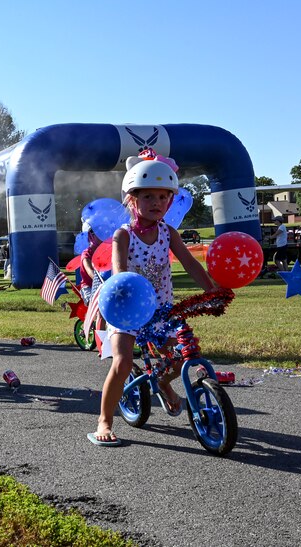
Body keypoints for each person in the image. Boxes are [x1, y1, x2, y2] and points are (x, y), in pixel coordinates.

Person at [88, 154, 216, 447]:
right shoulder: (124, 235)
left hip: (161, 311)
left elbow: (191, 265)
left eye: (162, 196)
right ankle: (104, 420)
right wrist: (128, 291)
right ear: (133, 200)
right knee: (121, 363)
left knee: (177, 360)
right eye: (148, 196)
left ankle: (161, 383)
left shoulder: (168, 233)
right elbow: (119, 271)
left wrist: (211, 288)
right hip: (127, 310)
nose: (157, 202)